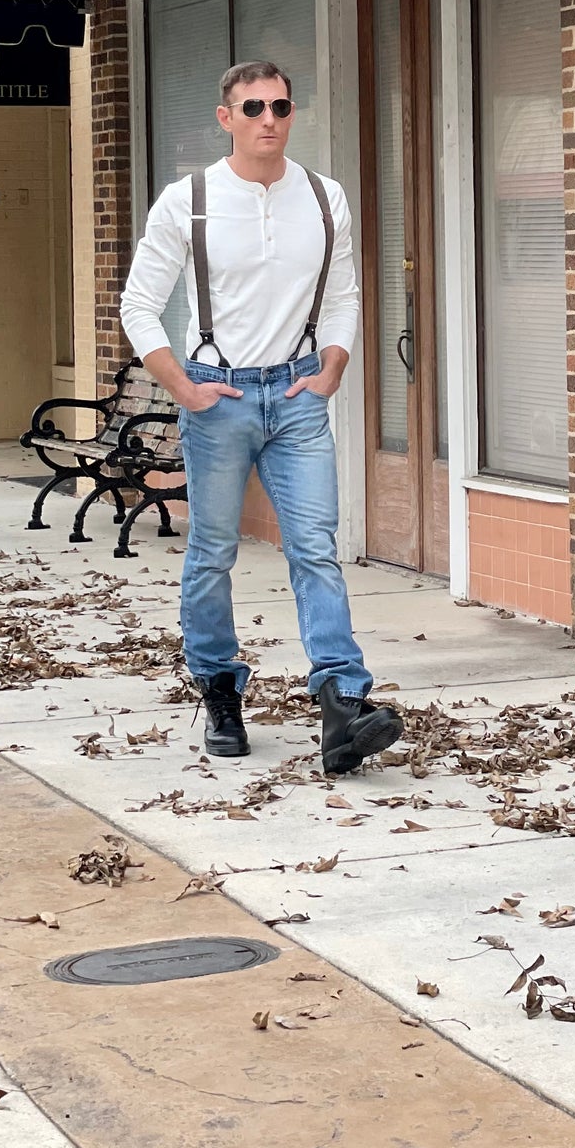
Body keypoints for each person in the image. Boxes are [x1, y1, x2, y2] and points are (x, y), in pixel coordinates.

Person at [119, 60, 403, 774]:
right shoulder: (189, 199)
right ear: (227, 118)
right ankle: (218, 687)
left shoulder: (321, 195)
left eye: (279, 105)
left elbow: (343, 293)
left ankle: (342, 702)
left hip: (298, 397)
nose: (268, 119)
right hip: (219, 397)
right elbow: (138, 305)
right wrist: (182, 387)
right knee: (212, 551)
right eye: (253, 108)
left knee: (314, 545)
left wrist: (333, 364)